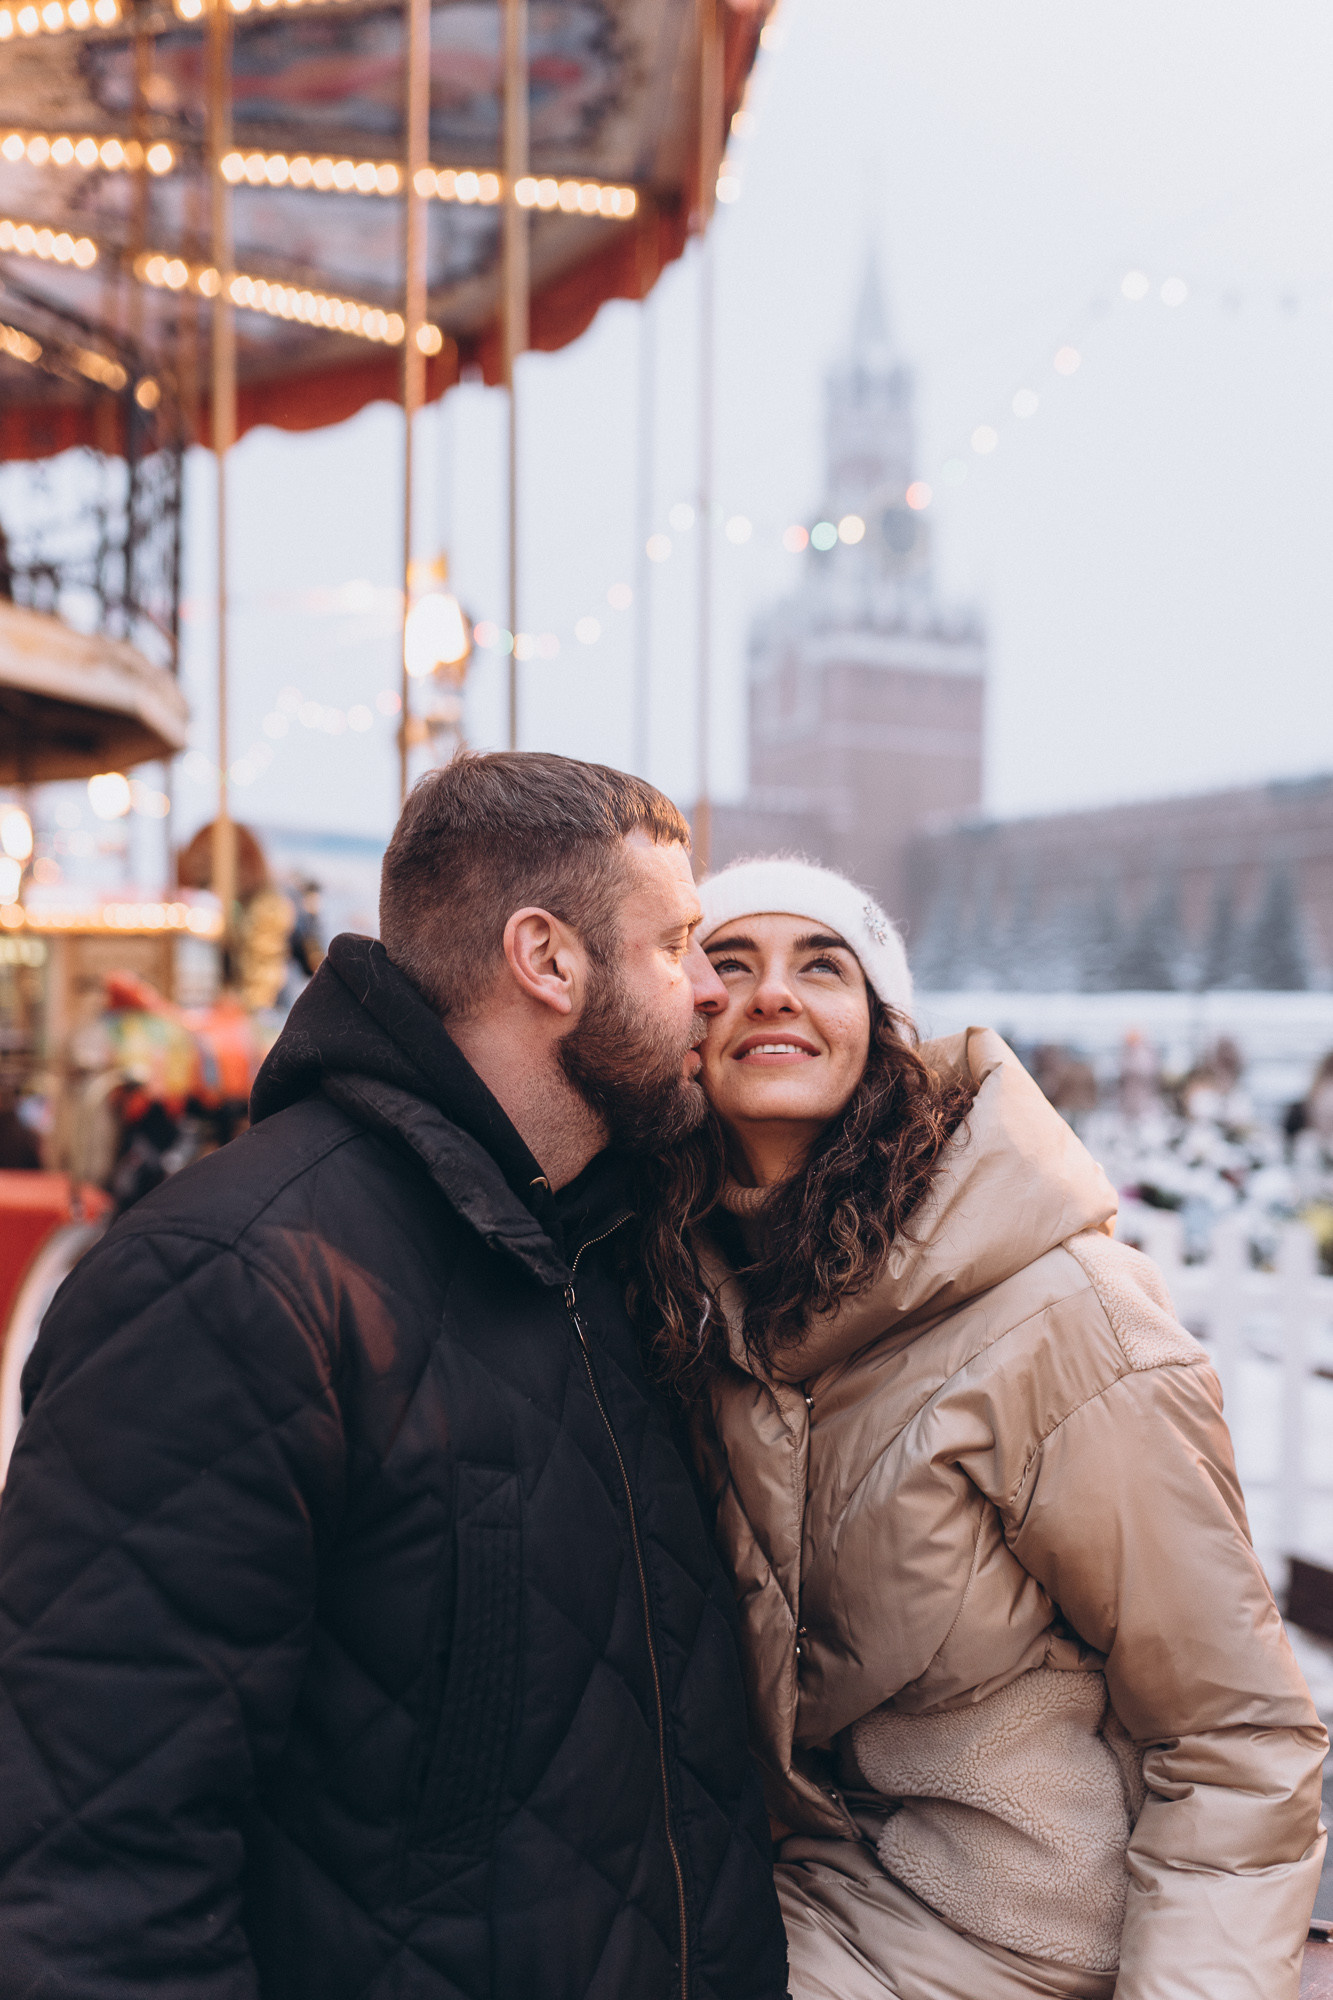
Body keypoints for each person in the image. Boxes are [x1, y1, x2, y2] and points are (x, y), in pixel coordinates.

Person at [0, 755, 788, 2000]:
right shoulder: (229, 1282)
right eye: (677, 942)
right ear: (548, 959)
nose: (710, 991)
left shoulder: (617, 1251)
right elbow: (98, 1866)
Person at [632, 855, 1328, 2000]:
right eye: (732, 963)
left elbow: (1234, 1735)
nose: (772, 993)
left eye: (822, 965)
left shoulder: (1059, 1317)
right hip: (802, 1891)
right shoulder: (688, 1297)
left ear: (885, 1029)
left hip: (1024, 1935)